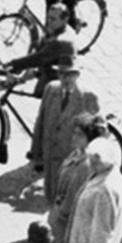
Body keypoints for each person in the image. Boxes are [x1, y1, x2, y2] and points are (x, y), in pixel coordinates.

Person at [30, 42, 100, 199]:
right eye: (61, 74)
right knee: (51, 199)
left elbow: (96, 135)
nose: (65, 78)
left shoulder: (88, 97)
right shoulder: (51, 89)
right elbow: (41, 121)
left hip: (72, 163)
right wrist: (36, 153)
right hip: (50, 158)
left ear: (77, 75)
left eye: (70, 74)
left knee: (67, 203)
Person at [50, 114, 111, 243]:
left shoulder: (85, 165)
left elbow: (73, 195)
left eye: (79, 135)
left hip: (66, 219)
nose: (74, 137)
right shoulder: (76, 153)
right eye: (74, 132)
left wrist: (60, 215)